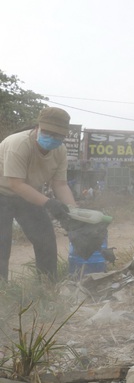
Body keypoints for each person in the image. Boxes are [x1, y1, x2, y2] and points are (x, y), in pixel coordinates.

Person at [0, 107, 77, 280]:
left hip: (28, 195)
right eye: (47, 132)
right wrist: (49, 203)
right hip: (3, 192)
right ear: (38, 127)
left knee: (46, 240)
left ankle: (47, 285)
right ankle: (2, 294)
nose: (52, 138)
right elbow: (16, 184)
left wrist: (73, 212)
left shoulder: (60, 151)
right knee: (1, 246)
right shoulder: (18, 144)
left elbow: (61, 184)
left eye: (57, 135)